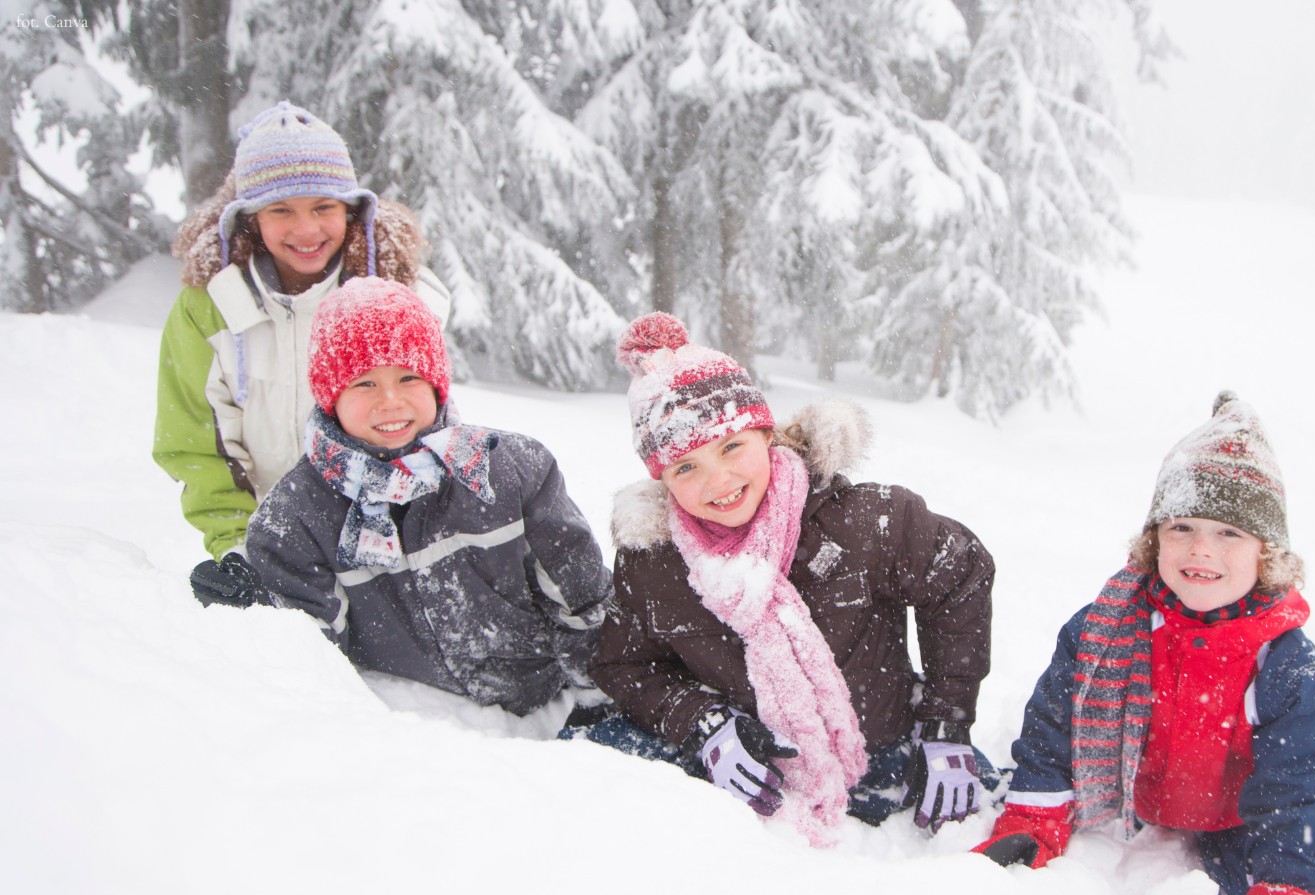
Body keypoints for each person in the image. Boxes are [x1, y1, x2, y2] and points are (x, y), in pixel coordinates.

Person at [573, 313, 997, 847]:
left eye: (731, 447)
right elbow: (624, 664)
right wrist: (704, 725)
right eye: (686, 467)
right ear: (662, 479)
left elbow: (959, 573)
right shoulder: (653, 564)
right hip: (751, 778)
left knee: (991, 831)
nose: (719, 481)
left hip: (887, 753)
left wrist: (945, 725)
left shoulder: (864, 521)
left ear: (765, 434)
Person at [971, 392, 1315, 895]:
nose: (1201, 549)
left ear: (1266, 554)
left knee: (1273, 880)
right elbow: (1054, 730)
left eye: (1228, 533)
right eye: (1182, 528)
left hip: (1245, 814)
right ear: (1154, 541)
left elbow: (1302, 793)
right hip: (1149, 797)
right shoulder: (1106, 630)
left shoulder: (1290, 669)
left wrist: (1286, 890)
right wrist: (1032, 820)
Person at [245, 277, 610, 719]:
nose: (390, 400)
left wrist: (600, 698)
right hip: (410, 725)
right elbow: (307, 659)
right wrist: (249, 608)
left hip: (542, 704)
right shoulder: (296, 514)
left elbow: (582, 599)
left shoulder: (510, 469)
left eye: (408, 377)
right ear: (330, 396)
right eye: (363, 383)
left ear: (436, 384)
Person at [154, 100, 450, 607]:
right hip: (271, 542)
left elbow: (433, 426)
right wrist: (239, 547)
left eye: (323, 207)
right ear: (249, 218)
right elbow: (197, 445)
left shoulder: (399, 295)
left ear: (352, 210)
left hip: (390, 544)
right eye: (281, 210)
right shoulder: (209, 308)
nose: (306, 230)